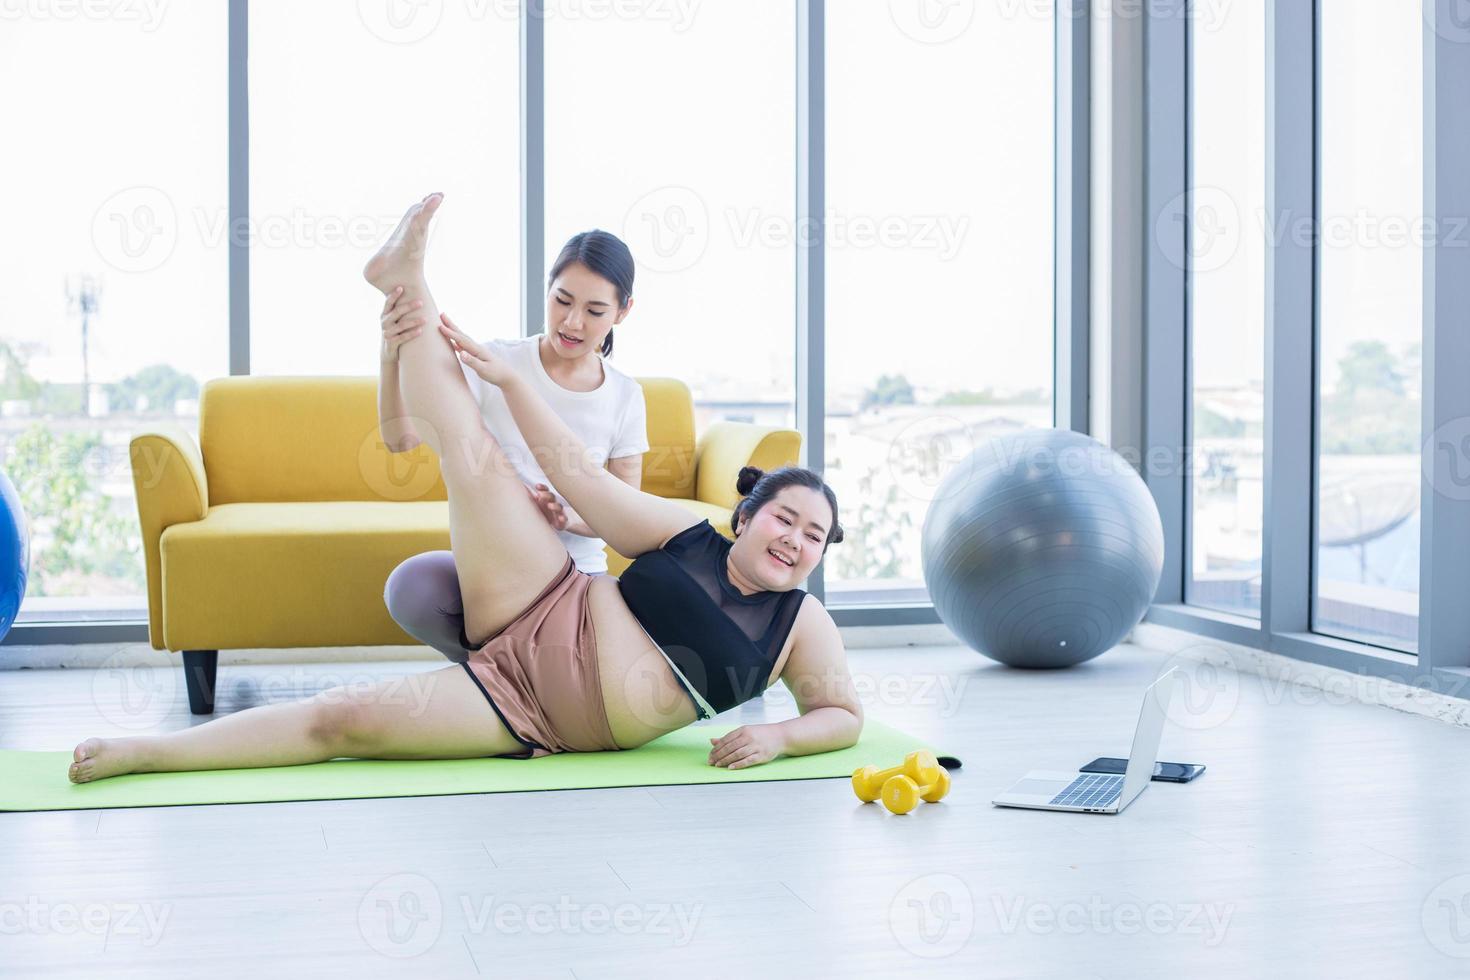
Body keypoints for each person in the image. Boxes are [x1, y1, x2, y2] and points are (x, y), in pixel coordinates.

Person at [67, 193, 862, 784]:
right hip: (545, 596)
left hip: (535, 710)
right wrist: (508, 390)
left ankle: (147, 752)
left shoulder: (801, 622)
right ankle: (403, 284)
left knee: (348, 719)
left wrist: (780, 738)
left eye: (813, 536)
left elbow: (843, 716)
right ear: (745, 515)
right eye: (783, 519)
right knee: (469, 450)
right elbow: (580, 480)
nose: (794, 540)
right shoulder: (687, 532)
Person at [378, 229, 648, 663]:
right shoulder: (496, 361)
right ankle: (499, 677)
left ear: (623, 311)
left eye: (595, 310)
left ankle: (508, 680)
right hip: (493, 570)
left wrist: (568, 517)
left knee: (587, 656)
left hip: (573, 579)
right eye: (562, 300)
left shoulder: (624, 396)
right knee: (412, 588)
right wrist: (391, 354)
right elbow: (401, 437)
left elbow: (625, 518)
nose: (572, 322)